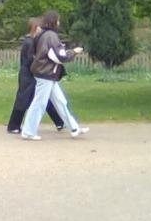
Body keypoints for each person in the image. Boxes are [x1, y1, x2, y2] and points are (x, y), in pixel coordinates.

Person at [20, 10, 89, 140]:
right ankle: (28, 131)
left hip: (46, 73)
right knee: (39, 103)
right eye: (58, 20)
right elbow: (59, 56)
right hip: (46, 73)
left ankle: (74, 128)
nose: (59, 22)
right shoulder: (51, 36)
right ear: (53, 21)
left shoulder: (43, 34)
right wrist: (73, 52)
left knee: (61, 101)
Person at [6, 17, 65, 133]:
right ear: (35, 28)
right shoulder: (29, 42)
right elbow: (31, 60)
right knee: (23, 99)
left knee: (45, 98)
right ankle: (13, 125)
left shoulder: (32, 41)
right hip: (28, 75)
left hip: (33, 74)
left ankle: (59, 121)